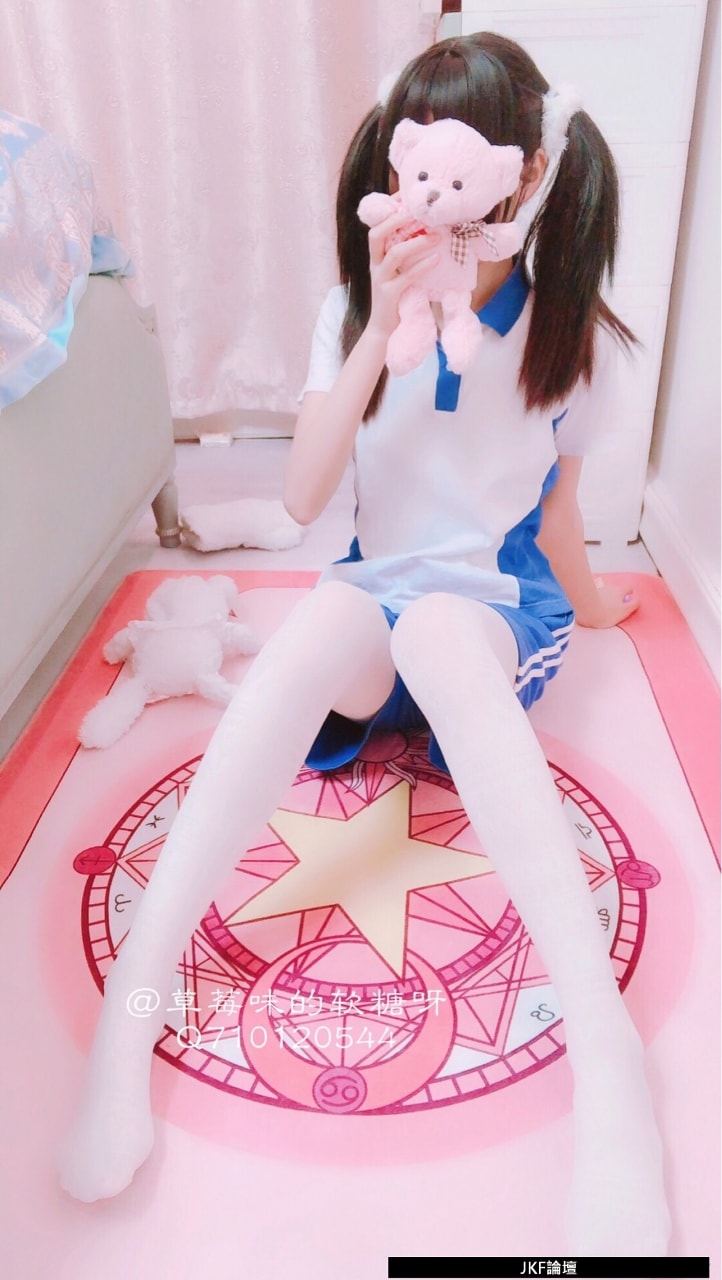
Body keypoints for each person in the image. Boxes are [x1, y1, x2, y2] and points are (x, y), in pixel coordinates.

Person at [60, 33, 671, 1257]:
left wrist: (594, 606)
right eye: (411, 164)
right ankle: (136, 1001)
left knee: (438, 621)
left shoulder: (572, 338)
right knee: (334, 611)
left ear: (523, 174)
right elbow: (300, 499)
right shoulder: (356, 313)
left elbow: (553, 512)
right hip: (374, 615)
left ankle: (608, 1062)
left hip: (489, 623)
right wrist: (378, 320)